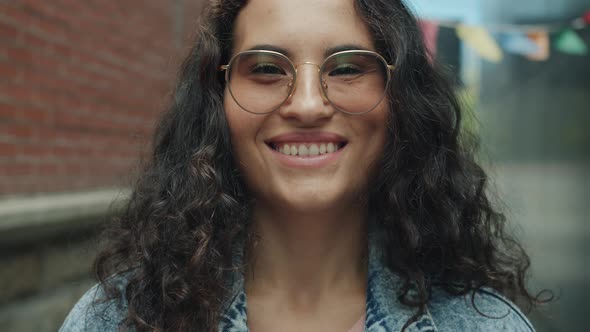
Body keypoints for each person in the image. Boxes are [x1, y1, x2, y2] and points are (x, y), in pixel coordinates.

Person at [59, 0, 548, 331]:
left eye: (348, 67)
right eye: (268, 68)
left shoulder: (485, 325)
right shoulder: (112, 321)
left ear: (399, 100)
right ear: (217, 99)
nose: (309, 105)